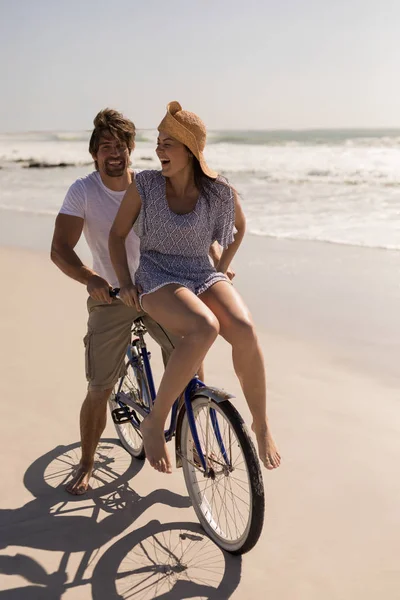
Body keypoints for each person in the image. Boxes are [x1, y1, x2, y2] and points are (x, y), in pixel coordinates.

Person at [109, 101, 281, 475]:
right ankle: (155, 421)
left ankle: (261, 422)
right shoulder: (146, 185)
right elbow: (117, 235)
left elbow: (240, 227)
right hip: (157, 275)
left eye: (167, 143)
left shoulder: (218, 191)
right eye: (157, 142)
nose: (158, 150)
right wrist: (125, 283)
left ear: (190, 150)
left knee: (246, 330)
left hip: (200, 272)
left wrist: (222, 268)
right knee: (205, 327)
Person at [50, 108, 177, 495]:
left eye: (121, 145)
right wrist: (92, 279)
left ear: (131, 150)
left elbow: (181, 231)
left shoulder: (149, 186)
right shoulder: (84, 191)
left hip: (156, 288)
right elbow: (60, 249)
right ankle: (87, 462)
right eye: (107, 146)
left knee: (189, 359)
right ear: (95, 153)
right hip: (112, 296)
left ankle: (187, 442)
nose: (115, 153)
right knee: (99, 387)